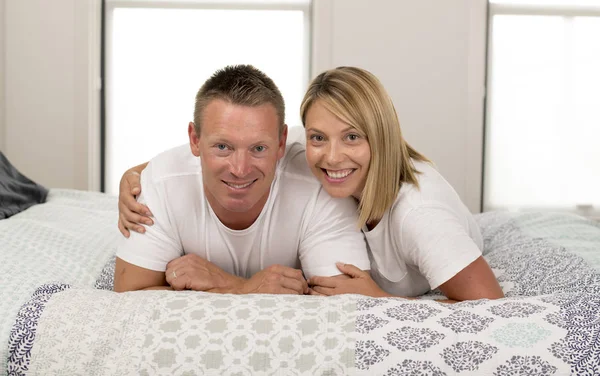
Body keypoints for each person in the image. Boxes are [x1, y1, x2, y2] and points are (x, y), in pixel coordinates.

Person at [119, 66, 503, 302]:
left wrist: (384, 301)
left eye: (353, 137)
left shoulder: (420, 217)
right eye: (319, 138)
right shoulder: (301, 147)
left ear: (380, 136)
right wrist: (134, 175)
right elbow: (217, 150)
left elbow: (487, 306)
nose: (332, 156)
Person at [113, 64, 370, 294]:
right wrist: (244, 288)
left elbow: (344, 306)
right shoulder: (160, 183)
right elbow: (131, 297)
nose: (240, 169)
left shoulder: (320, 184)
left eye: (258, 149)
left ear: (281, 143)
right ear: (194, 139)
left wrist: (231, 284)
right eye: (223, 147)